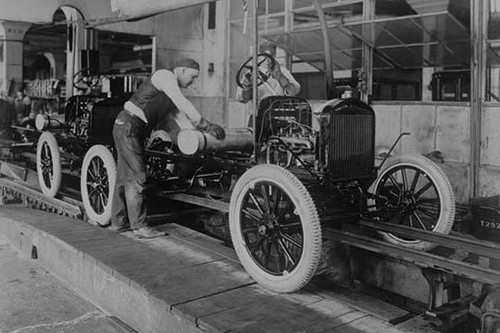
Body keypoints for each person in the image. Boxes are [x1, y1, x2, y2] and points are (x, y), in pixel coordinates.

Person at [110, 58, 225, 238]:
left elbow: (183, 122)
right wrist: (205, 123)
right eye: (193, 77)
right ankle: (139, 227)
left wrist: (202, 139)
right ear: (182, 70)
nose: (192, 82)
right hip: (129, 126)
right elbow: (182, 102)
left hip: (127, 126)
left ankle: (118, 223)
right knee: (137, 177)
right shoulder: (165, 76)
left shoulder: (167, 96)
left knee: (124, 177)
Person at [236, 41, 301, 105]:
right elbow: (243, 99)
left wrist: (281, 77)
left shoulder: (283, 71)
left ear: (275, 55)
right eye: (265, 55)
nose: (268, 59)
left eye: (271, 55)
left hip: (280, 111)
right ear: (259, 56)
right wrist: (247, 87)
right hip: (259, 113)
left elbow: (294, 92)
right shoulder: (250, 74)